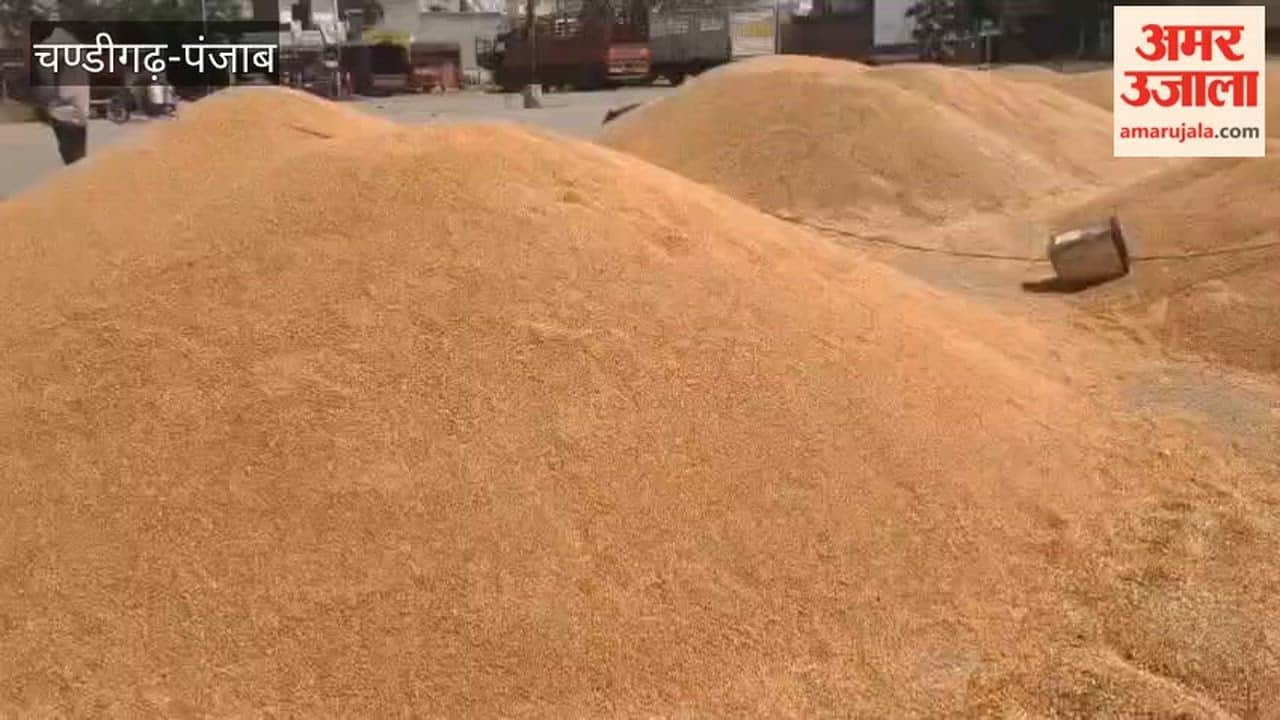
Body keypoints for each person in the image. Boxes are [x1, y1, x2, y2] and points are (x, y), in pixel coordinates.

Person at [32, 25, 90, 165]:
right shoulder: (77, 44)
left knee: (69, 150)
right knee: (78, 150)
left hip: (64, 103)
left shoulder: (49, 45)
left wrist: (44, 104)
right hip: (80, 103)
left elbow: (46, 79)